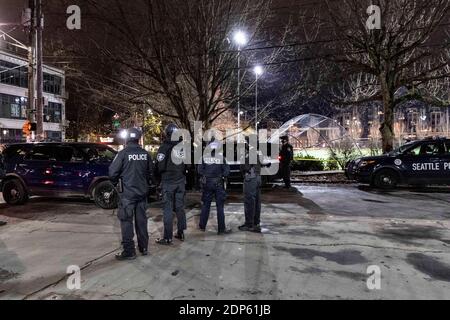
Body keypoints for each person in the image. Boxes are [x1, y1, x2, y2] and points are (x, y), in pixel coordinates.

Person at [109, 128, 153, 261]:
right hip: (142, 193)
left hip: (127, 194)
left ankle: (129, 251)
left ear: (127, 139)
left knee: (126, 221)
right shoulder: (145, 154)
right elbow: (151, 174)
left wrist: (116, 182)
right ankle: (144, 248)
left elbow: (112, 173)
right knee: (142, 221)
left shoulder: (122, 154)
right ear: (139, 139)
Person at [155, 123, 187, 245]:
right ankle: (181, 232)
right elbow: (188, 166)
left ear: (166, 133)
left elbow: (159, 166)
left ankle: (167, 237)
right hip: (180, 181)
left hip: (168, 182)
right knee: (180, 208)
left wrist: (158, 180)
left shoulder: (164, 147)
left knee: (167, 209)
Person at [198, 139, 231, 235]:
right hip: (218, 183)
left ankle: (202, 226)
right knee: (220, 207)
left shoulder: (204, 158)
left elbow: (199, 170)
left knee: (206, 205)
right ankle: (221, 229)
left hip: (207, 183)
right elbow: (227, 171)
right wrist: (221, 175)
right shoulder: (221, 158)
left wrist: (206, 175)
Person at [238, 135, 263, 233]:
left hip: (250, 178)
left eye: (246, 142)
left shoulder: (250, 153)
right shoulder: (258, 151)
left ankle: (249, 224)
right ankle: (256, 222)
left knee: (249, 201)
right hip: (257, 178)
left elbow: (245, 166)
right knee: (257, 201)